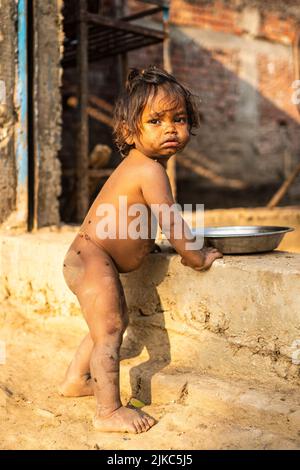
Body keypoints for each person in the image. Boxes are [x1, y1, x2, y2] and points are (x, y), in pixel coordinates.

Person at [59, 66, 223, 434]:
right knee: (112, 327)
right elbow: (171, 219)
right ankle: (108, 411)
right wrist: (195, 255)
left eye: (179, 119)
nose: (170, 128)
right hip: (92, 257)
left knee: (106, 325)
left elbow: (137, 219)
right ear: (130, 132)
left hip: (86, 257)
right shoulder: (149, 170)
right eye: (156, 120)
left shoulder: (143, 168)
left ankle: (75, 380)